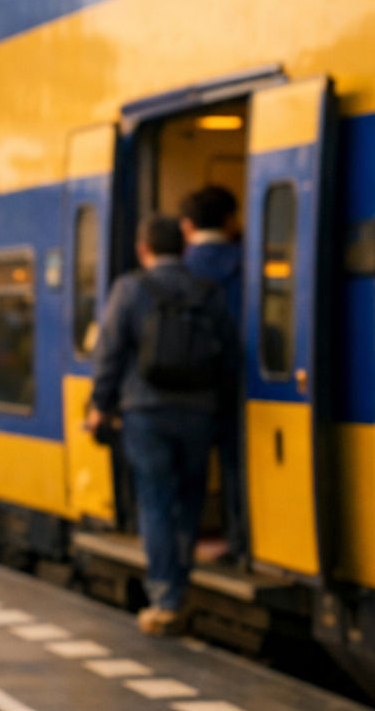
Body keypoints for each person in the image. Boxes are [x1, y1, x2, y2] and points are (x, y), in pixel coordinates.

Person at [85, 214, 237, 636]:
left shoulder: (130, 289)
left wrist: (100, 405)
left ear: (143, 248)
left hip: (146, 412)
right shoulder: (208, 291)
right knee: (189, 499)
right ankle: (180, 581)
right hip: (198, 413)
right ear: (184, 247)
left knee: (154, 500)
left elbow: (110, 352)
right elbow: (228, 354)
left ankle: (166, 597)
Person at [180, 185, 246, 565]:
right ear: (229, 220)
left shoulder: (181, 266)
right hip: (237, 380)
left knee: (192, 470)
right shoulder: (246, 260)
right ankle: (239, 539)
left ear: (187, 226)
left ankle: (185, 546)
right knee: (236, 465)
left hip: (190, 387)